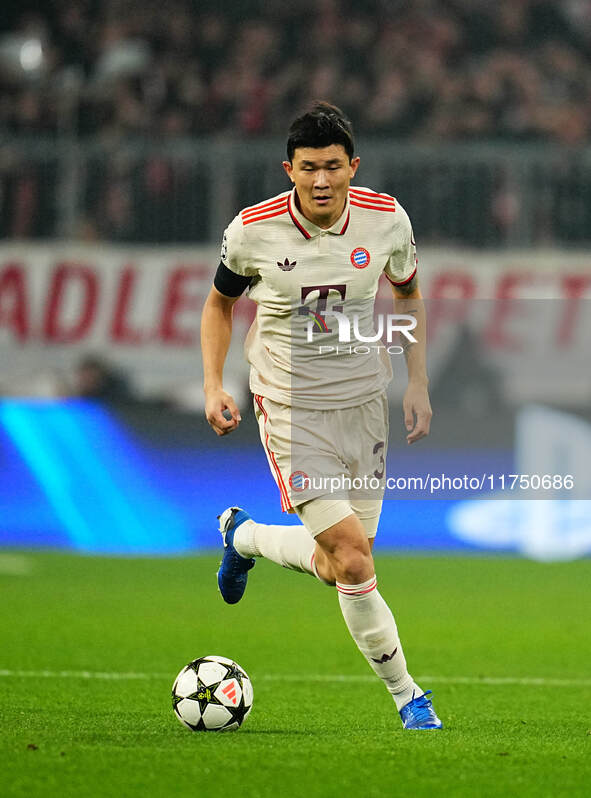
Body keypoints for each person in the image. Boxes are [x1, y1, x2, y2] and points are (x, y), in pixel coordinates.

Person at [200, 102, 442, 731]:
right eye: (309, 169)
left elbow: (407, 291)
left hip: (364, 403)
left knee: (341, 566)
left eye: (334, 167)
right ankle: (409, 697)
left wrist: (416, 381)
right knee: (356, 562)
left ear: (353, 166)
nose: (322, 181)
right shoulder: (252, 232)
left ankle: (243, 537)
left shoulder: (387, 220)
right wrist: (212, 384)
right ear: (290, 170)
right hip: (290, 406)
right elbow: (219, 306)